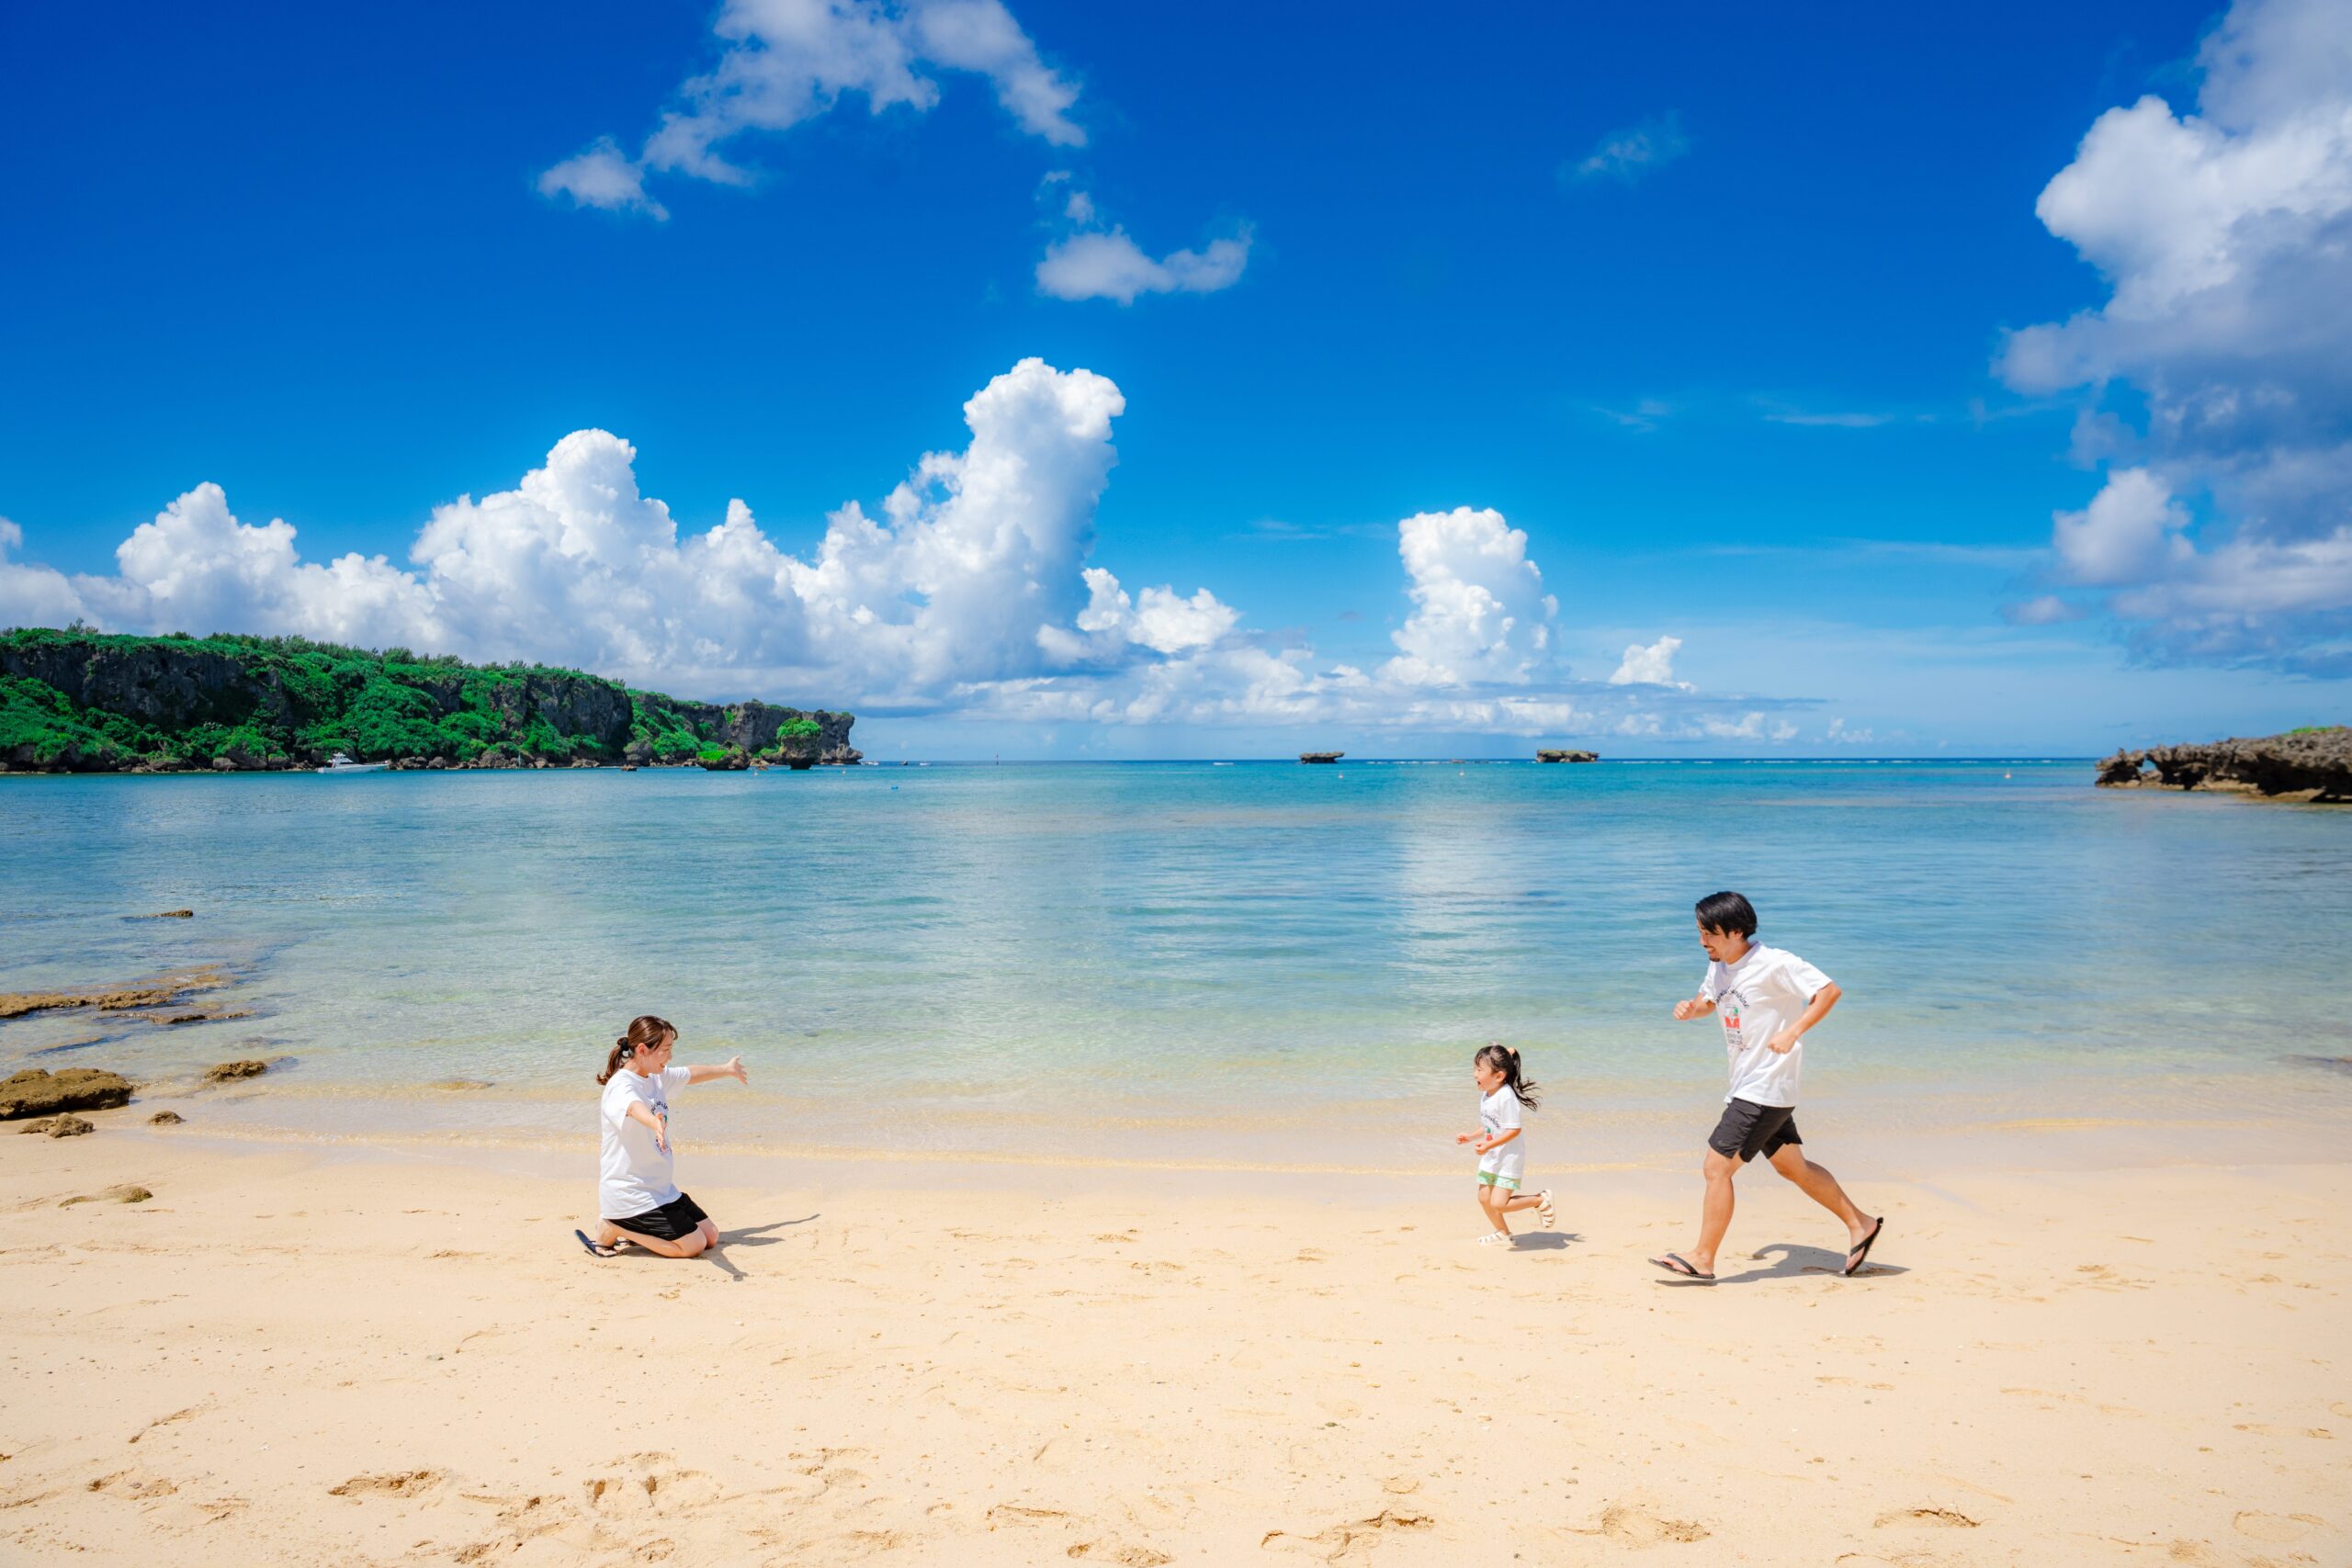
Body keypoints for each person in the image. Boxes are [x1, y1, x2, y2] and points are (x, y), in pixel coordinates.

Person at [1650, 892, 1883, 1284]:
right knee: (1793, 1167)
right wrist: (1691, 1010)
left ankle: (1703, 1258)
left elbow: (1828, 992)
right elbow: (1708, 1002)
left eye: (1709, 933)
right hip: (1749, 1084)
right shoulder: (1719, 965)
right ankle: (1861, 1224)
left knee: (1716, 1168)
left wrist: (1793, 1031)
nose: (1702, 941)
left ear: (1736, 931)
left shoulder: (1775, 963)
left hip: (1766, 1085)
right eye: (1700, 932)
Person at [575, 1014, 747, 1259]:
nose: (670, 1056)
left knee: (710, 1236)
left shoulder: (654, 1076)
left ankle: (632, 1228)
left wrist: (726, 1069)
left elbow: (689, 1074)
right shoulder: (621, 1085)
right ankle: (614, 1225)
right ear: (642, 1050)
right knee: (693, 1246)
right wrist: (653, 1122)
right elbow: (634, 1107)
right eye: (665, 1050)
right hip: (631, 1194)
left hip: (660, 1190)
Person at [1456, 1043, 1556, 1247]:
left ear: (1499, 1076)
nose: (1474, 1074)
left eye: (1479, 1070)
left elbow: (1514, 1129)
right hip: (1492, 1157)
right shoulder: (1487, 1094)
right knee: (1484, 1197)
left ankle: (1540, 1200)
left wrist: (1488, 1146)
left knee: (1499, 1204)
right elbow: (1489, 1125)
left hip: (1508, 1158)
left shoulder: (1506, 1097)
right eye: (1475, 1068)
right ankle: (1503, 1233)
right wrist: (1471, 1136)